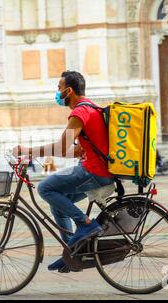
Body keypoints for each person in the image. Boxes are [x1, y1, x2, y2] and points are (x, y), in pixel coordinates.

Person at [12, 70, 114, 273]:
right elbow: (74, 150)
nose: (57, 92)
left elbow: (60, 146)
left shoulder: (79, 112)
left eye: (59, 88)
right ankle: (72, 253)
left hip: (93, 172)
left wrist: (29, 151)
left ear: (69, 90)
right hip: (100, 172)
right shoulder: (92, 107)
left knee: (46, 188)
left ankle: (86, 224)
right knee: (57, 205)